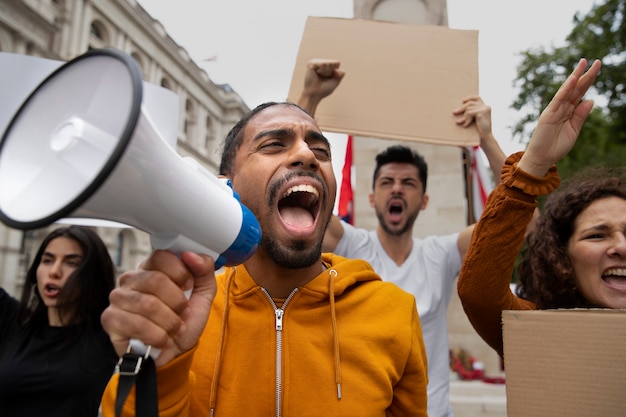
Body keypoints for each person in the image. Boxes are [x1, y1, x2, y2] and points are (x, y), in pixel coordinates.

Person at [100, 101, 429, 416]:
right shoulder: (181, 314)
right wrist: (155, 368)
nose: (306, 155)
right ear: (226, 186)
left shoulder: (394, 311)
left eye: (321, 152)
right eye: (273, 145)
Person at [297, 58, 507, 417]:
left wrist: (486, 138)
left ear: (423, 200)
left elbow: (519, 214)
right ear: (371, 197)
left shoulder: (441, 255)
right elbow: (294, 189)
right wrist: (309, 98)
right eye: (386, 182)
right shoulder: (349, 247)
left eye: (408, 183)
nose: (397, 190)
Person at [457, 58, 611, 358]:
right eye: (597, 236)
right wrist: (534, 163)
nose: (620, 246)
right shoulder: (540, 328)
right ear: (562, 258)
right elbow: (480, 293)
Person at [0, 225, 118, 417]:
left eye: (72, 263)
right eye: (47, 260)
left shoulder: (111, 339)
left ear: (94, 275)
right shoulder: (14, 322)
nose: (54, 271)